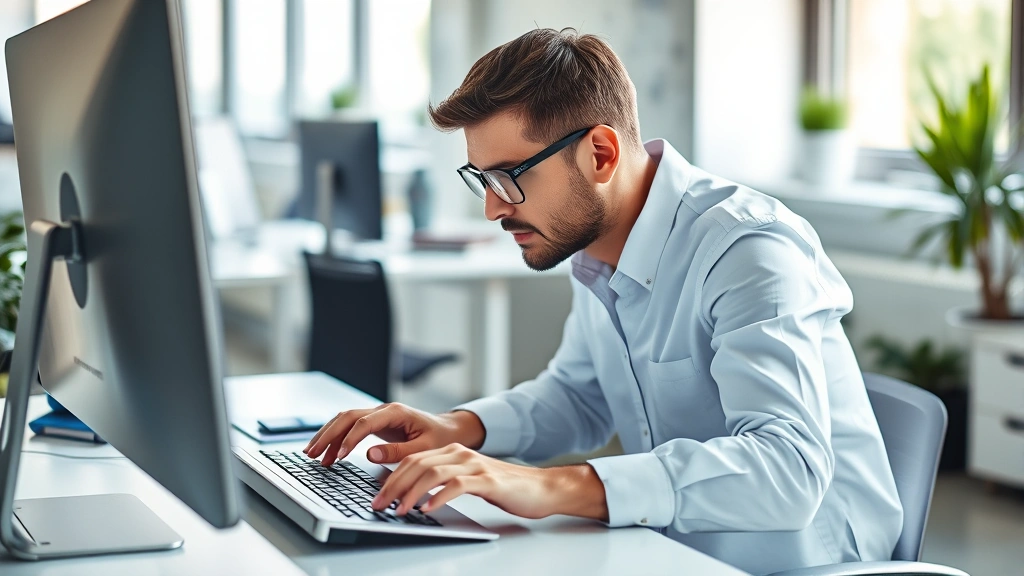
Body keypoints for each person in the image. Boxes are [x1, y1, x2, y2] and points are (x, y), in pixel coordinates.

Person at [304, 28, 903, 575]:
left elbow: (788, 471)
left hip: (804, 561)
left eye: (510, 176)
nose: (492, 208)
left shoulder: (748, 251)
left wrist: (548, 487)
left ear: (600, 154)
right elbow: (578, 395)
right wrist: (459, 428)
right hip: (678, 543)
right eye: (483, 179)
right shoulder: (594, 246)